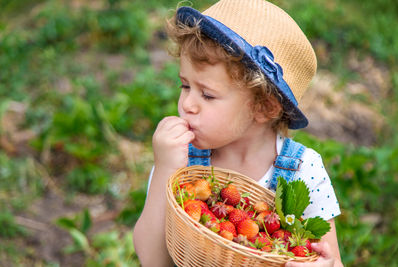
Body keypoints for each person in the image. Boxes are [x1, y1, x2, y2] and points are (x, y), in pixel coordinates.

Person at [133, 0, 343, 266]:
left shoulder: (303, 170)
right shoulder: (179, 159)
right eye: (185, 86)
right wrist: (164, 169)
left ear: (264, 107)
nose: (187, 104)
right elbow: (152, 260)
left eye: (207, 94)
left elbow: (332, 258)